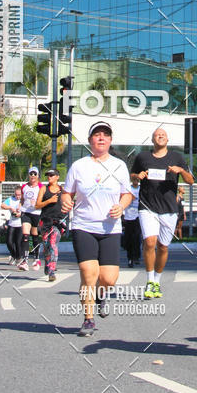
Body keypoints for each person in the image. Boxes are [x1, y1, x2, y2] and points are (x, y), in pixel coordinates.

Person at [62, 122, 133, 337]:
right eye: (97, 135)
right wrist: (66, 202)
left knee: (108, 279)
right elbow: (67, 193)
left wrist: (121, 206)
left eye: (105, 135)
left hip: (110, 228)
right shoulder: (79, 166)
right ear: (90, 140)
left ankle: (100, 296)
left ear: (110, 141)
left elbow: (127, 194)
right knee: (88, 273)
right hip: (84, 225)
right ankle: (88, 319)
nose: (101, 138)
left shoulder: (119, 166)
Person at [131, 127, 194, 301]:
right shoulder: (143, 157)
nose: (160, 136)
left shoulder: (177, 157)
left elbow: (190, 181)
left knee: (163, 246)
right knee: (150, 242)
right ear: (152, 139)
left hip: (169, 209)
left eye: (163, 134)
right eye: (157, 134)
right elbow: (132, 177)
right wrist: (138, 176)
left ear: (167, 139)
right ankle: (150, 280)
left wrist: (180, 171)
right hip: (147, 206)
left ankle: (157, 281)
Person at [37, 169, 63, 282]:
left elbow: (68, 201)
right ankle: (47, 264)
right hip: (45, 221)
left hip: (58, 222)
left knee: (53, 244)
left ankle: (52, 271)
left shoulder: (63, 190)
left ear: (57, 177)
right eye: (48, 175)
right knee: (47, 246)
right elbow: (37, 205)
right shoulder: (44, 189)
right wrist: (49, 201)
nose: (49, 177)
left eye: (52, 175)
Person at [19, 167, 43, 271]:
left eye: (35, 174)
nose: (33, 176)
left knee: (35, 235)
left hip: (36, 213)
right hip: (26, 212)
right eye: (31, 174)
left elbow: (43, 201)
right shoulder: (24, 186)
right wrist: (19, 207)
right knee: (25, 235)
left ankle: (36, 258)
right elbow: (22, 199)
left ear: (38, 175)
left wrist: (37, 204)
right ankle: (25, 260)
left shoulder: (41, 187)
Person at [122, 175, 141, 267]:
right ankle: (130, 258)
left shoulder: (141, 189)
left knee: (136, 237)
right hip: (128, 216)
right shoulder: (128, 189)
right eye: (134, 179)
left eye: (137, 180)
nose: (135, 181)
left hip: (138, 216)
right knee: (129, 238)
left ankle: (136, 256)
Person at [1, 186, 23, 264]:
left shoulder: (23, 200)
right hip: (12, 223)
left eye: (19, 195)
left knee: (18, 242)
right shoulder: (11, 199)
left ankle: (18, 257)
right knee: (9, 242)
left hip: (20, 224)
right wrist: (10, 208)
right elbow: (2, 205)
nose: (18, 196)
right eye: (16, 195)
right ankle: (13, 255)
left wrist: (20, 214)